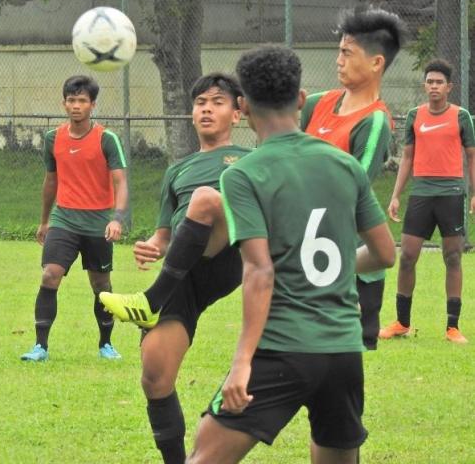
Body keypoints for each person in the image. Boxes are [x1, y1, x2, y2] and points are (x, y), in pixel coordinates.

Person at [187, 45, 396, 463]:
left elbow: (259, 271)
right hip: (342, 351)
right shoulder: (345, 166)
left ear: (242, 107)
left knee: (206, 448)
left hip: (283, 349)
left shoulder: (243, 174)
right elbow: (385, 254)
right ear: (301, 100)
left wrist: (241, 363)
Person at [100, 73, 252, 463]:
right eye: (200, 102)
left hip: (230, 253)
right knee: (155, 375)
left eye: (218, 102)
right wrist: (152, 246)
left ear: (237, 114)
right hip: (183, 275)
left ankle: (150, 300)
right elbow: (165, 236)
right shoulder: (177, 171)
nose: (206, 108)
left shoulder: (253, 160)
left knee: (206, 199)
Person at [300, 6, 406, 350]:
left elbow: (352, 188)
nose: (338, 60)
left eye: (347, 52)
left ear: (376, 63)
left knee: (338, 361)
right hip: (301, 242)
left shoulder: (375, 121)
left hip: (344, 256)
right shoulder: (316, 103)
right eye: (339, 51)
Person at [20, 75, 128, 362]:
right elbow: (50, 181)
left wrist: (116, 218)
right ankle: (40, 347)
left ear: (92, 105)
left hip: (97, 223)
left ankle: (106, 344)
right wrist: (44, 221)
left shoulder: (107, 139)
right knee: (50, 275)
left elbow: (121, 182)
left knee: (101, 286)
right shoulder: (53, 139)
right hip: (64, 220)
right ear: (64, 103)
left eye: (82, 100)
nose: (76, 105)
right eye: (71, 100)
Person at [383, 58, 475, 344]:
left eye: (439, 82)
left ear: (449, 87)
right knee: (408, 255)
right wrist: (396, 195)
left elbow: (472, 157)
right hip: (421, 194)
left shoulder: (462, 117)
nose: (433, 86)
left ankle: (452, 327)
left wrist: (473, 193)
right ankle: (402, 322)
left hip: (450, 195)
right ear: (425, 85)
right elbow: (407, 157)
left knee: (452, 257)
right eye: (430, 81)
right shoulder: (414, 116)